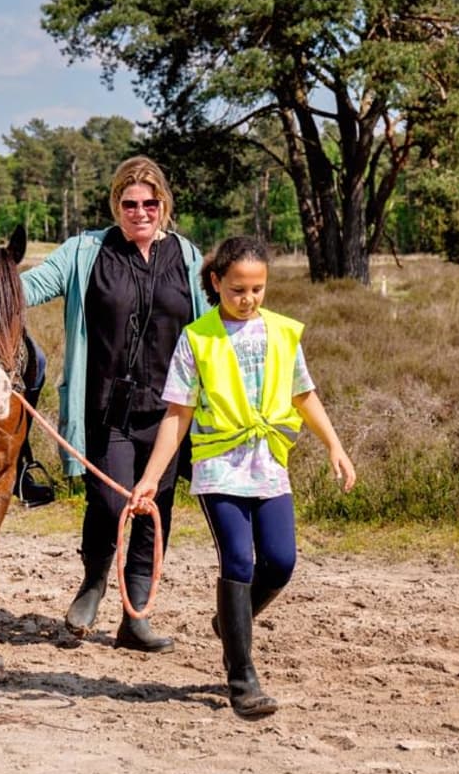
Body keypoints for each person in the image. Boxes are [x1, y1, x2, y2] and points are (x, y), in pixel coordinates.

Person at [129, 235, 356, 719]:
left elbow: (304, 395)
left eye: (258, 289)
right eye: (238, 290)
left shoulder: (282, 333)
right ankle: (242, 679)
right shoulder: (197, 339)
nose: (249, 299)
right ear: (216, 283)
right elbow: (177, 416)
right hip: (218, 470)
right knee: (238, 560)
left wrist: (335, 445)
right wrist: (151, 477)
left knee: (281, 562)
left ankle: (231, 621)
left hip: (269, 464)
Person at [23, 156, 207, 652]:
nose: (140, 212)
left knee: (154, 510)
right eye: (130, 203)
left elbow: (217, 318)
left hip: (170, 411)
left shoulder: (188, 258)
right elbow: (34, 285)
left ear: (164, 204)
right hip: (108, 408)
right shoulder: (86, 251)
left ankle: (135, 615)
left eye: (150, 203)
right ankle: (94, 583)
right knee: (108, 502)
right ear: (116, 204)